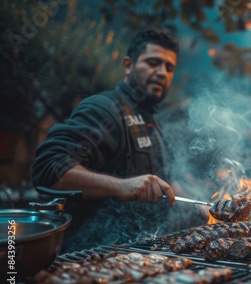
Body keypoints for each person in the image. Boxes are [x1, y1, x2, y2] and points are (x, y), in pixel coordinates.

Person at [32, 29, 183, 251]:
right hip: (93, 259)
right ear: (128, 65)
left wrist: (200, 201)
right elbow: (48, 169)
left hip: (141, 259)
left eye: (169, 68)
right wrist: (121, 186)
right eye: (153, 62)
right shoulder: (105, 110)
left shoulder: (152, 122)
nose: (162, 72)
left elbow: (162, 181)